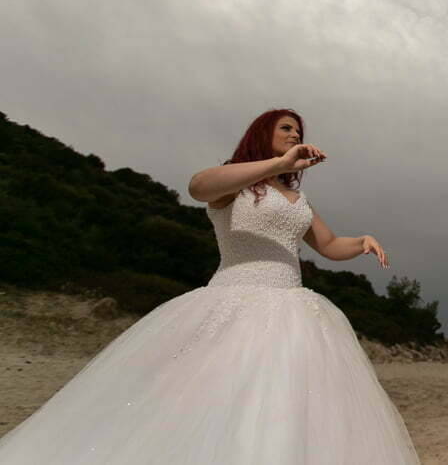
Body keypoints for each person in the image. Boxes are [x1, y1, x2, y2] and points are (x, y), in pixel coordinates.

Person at [0, 108, 420, 464]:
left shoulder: (299, 202)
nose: (295, 135)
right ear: (263, 135)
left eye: (299, 131)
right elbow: (198, 187)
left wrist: (362, 241)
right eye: (286, 128)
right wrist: (278, 165)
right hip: (233, 298)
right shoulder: (235, 182)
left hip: (294, 309)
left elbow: (328, 245)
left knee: (286, 408)